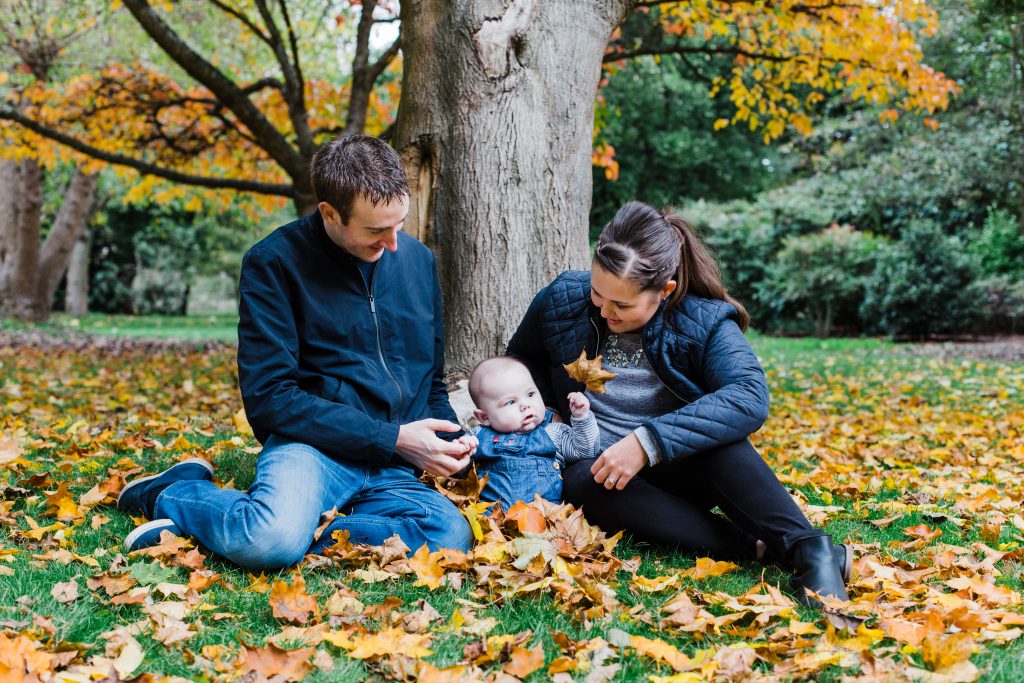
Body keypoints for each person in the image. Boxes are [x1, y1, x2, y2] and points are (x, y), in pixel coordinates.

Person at [116, 135, 476, 569]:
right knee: (270, 542)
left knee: (452, 534)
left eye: (399, 223)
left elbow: (430, 382)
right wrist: (393, 438)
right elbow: (271, 399)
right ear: (329, 214)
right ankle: (175, 493)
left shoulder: (418, 261)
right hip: (313, 449)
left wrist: (452, 440)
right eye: (376, 231)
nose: (394, 243)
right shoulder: (274, 264)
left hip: (392, 461)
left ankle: (277, 524)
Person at [506, 201, 850, 607]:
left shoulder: (702, 319)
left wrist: (647, 441)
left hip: (679, 466)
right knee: (586, 483)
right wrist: (548, 411)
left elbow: (749, 395)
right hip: (599, 470)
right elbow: (521, 360)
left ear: (663, 291)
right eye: (598, 293)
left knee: (723, 446)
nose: (603, 309)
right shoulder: (564, 297)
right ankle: (759, 549)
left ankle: (810, 549)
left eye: (622, 304)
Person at [466, 356, 599, 509]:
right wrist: (461, 450)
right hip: (490, 522)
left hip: (543, 521)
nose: (525, 405)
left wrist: (582, 417)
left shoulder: (553, 432)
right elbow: (457, 464)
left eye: (530, 394)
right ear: (484, 417)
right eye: (511, 402)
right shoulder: (476, 437)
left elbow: (585, 451)